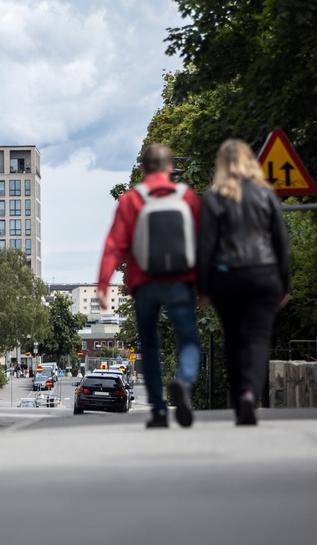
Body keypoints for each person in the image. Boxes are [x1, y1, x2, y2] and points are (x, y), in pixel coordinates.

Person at [97, 143, 202, 428]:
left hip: (144, 284)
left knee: (150, 346)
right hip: (181, 281)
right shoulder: (187, 197)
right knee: (189, 340)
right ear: (170, 168)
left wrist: (104, 284)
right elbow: (203, 240)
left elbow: (114, 244)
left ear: (143, 169)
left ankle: (158, 409)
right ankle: (184, 381)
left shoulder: (132, 200)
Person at [196, 139, 292, 426]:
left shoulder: (214, 197)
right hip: (264, 275)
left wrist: (203, 287)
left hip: (228, 277)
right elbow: (280, 242)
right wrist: (284, 284)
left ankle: (240, 400)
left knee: (234, 339)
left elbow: (206, 246)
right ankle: (251, 393)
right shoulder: (265, 194)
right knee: (258, 338)